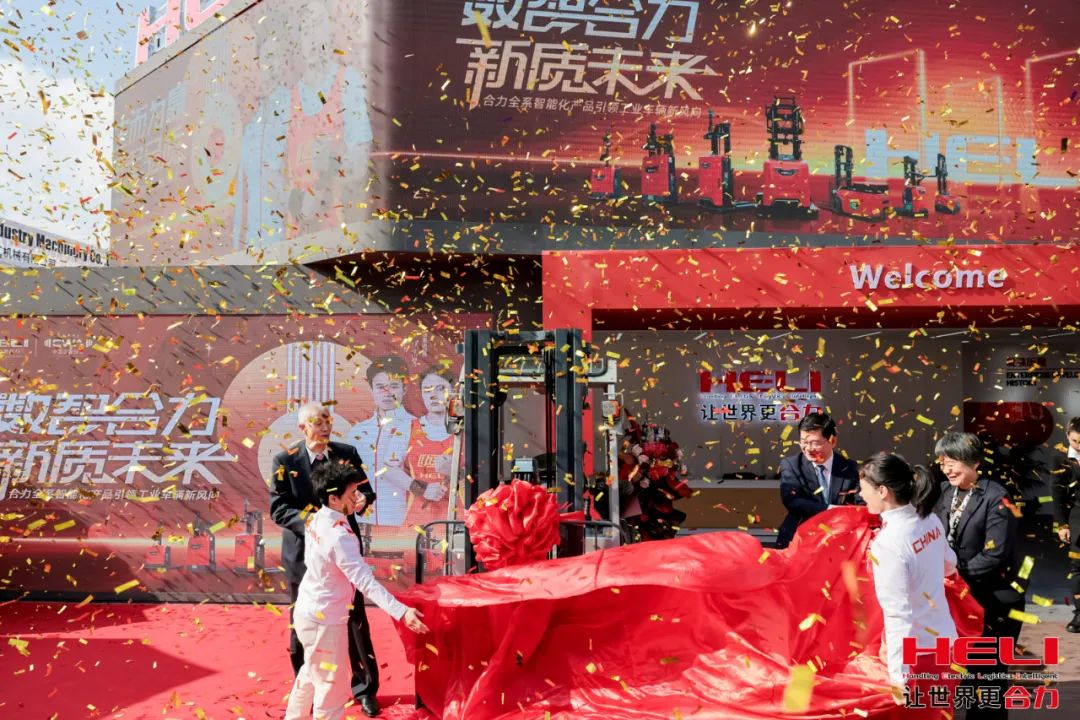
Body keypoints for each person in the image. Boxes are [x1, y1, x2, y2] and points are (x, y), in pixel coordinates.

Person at [284, 461, 429, 720]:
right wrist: (401, 612)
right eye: (352, 494)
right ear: (333, 498)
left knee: (310, 673)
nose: (358, 498)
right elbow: (365, 582)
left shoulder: (317, 518)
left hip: (309, 612)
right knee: (332, 687)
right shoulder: (339, 536)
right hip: (324, 620)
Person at [270, 402, 382, 717]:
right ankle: (306, 687)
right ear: (303, 427)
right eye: (317, 422)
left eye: (327, 421)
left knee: (354, 620)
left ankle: (364, 689)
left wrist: (362, 500)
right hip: (302, 554)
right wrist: (316, 522)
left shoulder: (346, 452)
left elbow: (366, 492)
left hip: (342, 553)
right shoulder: (284, 460)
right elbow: (278, 508)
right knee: (302, 623)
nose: (324, 427)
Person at [931, 431, 1023, 720]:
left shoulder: (997, 497)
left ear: (973, 461)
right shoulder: (945, 492)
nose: (947, 469)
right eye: (943, 462)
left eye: (953, 462)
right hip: (964, 597)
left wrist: (952, 572)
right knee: (969, 672)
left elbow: (994, 555)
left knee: (990, 674)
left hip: (996, 599)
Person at [858, 452, 958, 713]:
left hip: (918, 656)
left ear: (882, 491)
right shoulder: (929, 519)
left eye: (863, 488)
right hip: (946, 643)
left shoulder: (888, 544)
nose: (860, 495)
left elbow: (897, 614)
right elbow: (950, 564)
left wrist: (899, 678)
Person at [347, 355, 419, 527]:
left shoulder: (417, 427)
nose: (387, 393)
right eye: (380, 387)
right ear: (372, 390)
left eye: (393, 386)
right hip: (362, 521)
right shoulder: (357, 432)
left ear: (404, 389)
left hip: (403, 522)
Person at [776, 412, 861, 548]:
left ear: (833, 441)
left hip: (840, 540)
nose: (809, 448)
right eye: (804, 442)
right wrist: (830, 510)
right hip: (800, 538)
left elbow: (860, 502)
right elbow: (792, 500)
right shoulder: (792, 465)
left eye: (815, 443)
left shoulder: (850, 468)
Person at [403, 366, 464, 528]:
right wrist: (421, 489)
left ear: (454, 392)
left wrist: (455, 472)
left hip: (457, 520)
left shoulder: (467, 430)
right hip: (417, 523)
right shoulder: (408, 428)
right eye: (427, 390)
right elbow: (388, 469)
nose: (433, 395)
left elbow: (483, 474)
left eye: (440, 388)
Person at [1052, 416, 1080, 633]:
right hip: (1077, 519)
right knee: (1078, 568)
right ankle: (1079, 613)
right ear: (1067, 437)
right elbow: (1056, 494)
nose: (1079, 445)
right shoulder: (1059, 458)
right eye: (1075, 441)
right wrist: (1061, 525)